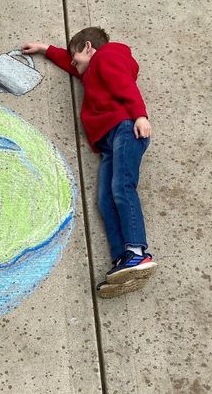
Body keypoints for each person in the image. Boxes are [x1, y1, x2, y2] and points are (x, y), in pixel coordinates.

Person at [22, 27, 157, 298]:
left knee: (122, 188)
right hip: (110, 142)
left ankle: (136, 251)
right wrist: (45, 48)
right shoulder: (91, 70)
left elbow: (124, 84)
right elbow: (70, 65)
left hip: (126, 128)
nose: (74, 65)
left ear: (88, 47)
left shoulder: (108, 57)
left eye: (76, 58)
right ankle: (123, 260)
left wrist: (140, 115)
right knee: (105, 200)